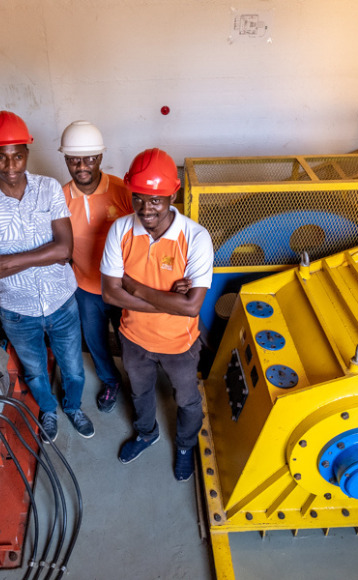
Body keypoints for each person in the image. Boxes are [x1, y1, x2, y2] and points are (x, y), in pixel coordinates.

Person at [0, 110, 94, 442]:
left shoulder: (48, 189)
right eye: (1, 157)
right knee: (35, 371)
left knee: (74, 369)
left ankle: (73, 406)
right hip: (17, 309)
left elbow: (64, 250)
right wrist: (41, 255)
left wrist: (6, 263)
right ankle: (49, 410)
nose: (11, 166)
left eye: (18, 156)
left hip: (62, 300)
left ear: (27, 152)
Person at [100, 148, 213, 481]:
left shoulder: (195, 238)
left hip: (179, 343)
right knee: (139, 392)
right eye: (139, 198)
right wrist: (167, 300)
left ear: (172, 194)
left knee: (188, 401)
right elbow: (110, 293)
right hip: (133, 339)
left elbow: (192, 306)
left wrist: (134, 287)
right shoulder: (120, 231)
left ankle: (184, 445)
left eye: (156, 200)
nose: (146, 208)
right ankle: (146, 434)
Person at [59, 121, 133, 413]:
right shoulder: (60, 198)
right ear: (66, 160)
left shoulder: (122, 191)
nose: (82, 166)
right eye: (74, 159)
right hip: (85, 288)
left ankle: (137, 384)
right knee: (96, 341)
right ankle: (110, 380)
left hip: (123, 285)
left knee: (130, 340)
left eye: (89, 158)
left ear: (100, 157)